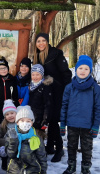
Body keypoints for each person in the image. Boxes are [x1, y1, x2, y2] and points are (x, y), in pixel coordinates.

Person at [60, 55, 100, 174]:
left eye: (86, 69)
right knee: (71, 147)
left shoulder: (95, 88)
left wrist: (96, 126)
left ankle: (86, 169)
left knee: (87, 148)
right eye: (80, 68)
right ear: (76, 69)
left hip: (87, 125)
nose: (83, 71)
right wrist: (62, 124)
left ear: (90, 71)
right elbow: (64, 106)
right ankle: (71, 167)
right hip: (72, 123)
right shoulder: (69, 87)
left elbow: (97, 108)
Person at [33, 33, 72, 162]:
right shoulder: (37, 56)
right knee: (49, 118)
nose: (41, 43)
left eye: (43, 40)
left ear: (48, 42)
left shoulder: (56, 54)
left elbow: (66, 73)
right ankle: (50, 146)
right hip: (46, 91)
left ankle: (59, 148)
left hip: (57, 92)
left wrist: (65, 91)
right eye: (38, 41)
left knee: (54, 120)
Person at [3, 105, 52, 174]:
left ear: (32, 123)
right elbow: (10, 154)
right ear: (17, 122)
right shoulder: (11, 134)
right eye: (22, 120)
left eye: (28, 121)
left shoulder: (36, 137)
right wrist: (13, 141)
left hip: (32, 170)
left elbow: (42, 157)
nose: (25, 123)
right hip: (15, 169)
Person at [28, 64, 53, 140]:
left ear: (42, 75)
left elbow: (47, 104)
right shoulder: (30, 86)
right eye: (33, 74)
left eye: (37, 74)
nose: (35, 77)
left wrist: (45, 119)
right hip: (31, 117)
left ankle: (40, 150)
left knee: (38, 137)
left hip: (40, 118)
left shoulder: (45, 87)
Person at [0, 99, 17, 171]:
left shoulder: (20, 124)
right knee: (3, 150)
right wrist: (7, 142)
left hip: (18, 145)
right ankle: (5, 161)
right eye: (7, 114)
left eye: (12, 113)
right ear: (5, 116)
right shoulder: (3, 125)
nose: (10, 116)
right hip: (7, 145)